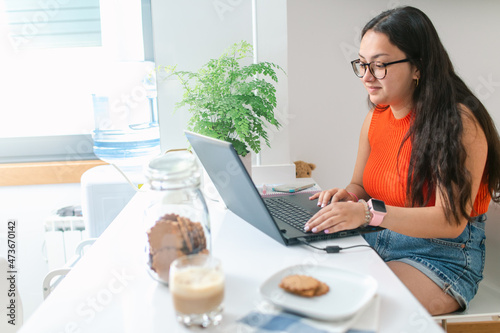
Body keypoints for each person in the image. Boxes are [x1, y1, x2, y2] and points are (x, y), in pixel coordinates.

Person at [304, 6, 500, 316]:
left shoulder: (459, 123)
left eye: (379, 65)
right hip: (379, 239)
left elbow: (451, 221)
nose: (367, 77)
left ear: (418, 67)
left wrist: (367, 215)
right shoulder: (375, 118)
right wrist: (348, 197)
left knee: (353, 309)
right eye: (362, 64)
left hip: (442, 255)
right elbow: (359, 185)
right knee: (309, 285)